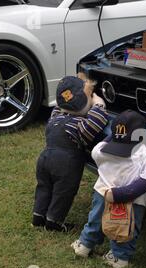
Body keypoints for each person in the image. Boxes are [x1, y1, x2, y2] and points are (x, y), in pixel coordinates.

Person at [72, 110, 146, 268]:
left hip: (103, 193)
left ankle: (85, 245)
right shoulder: (144, 154)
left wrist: (113, 137)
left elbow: (95, 154)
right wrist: (123, 194)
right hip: (132, 202)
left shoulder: (103, 148)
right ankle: (120, 257)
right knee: (125, 230)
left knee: (96, 220)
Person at [32, 76, 109, 232]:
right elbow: (97, 120)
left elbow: (60, 106)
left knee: (44, 187)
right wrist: (98, 104)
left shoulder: (55, 117)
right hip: (65, 164)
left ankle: (38, 216)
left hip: (45, 158)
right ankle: (54, 221)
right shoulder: (79, 125)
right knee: (63, 192)